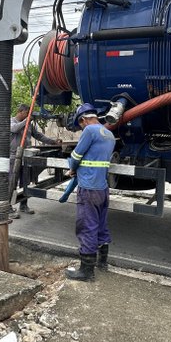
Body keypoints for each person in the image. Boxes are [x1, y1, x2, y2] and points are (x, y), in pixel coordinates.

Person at [65, 103, 116, 281]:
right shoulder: (109, 134)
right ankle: (102, 263)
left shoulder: (89, 131)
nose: (81, 128)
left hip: (88, 188)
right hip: (102, 189)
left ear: (83, 120)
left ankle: (86, 271)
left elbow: (76, 155)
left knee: (87, 226)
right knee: (100, 225)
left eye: (80, 124)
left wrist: (71, 168)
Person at [10, 104, 59, 218]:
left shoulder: (29, 125)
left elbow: (38, 136)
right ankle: (8, 208)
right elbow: (14, 129)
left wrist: (53, 142)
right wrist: (26, 121)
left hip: (25, 157)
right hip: (13, 157)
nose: (29, 116)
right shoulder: (11, 121)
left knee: (25, 182)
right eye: (27, 113)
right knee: (12, 183)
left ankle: (23, 206)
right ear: (21, 112)